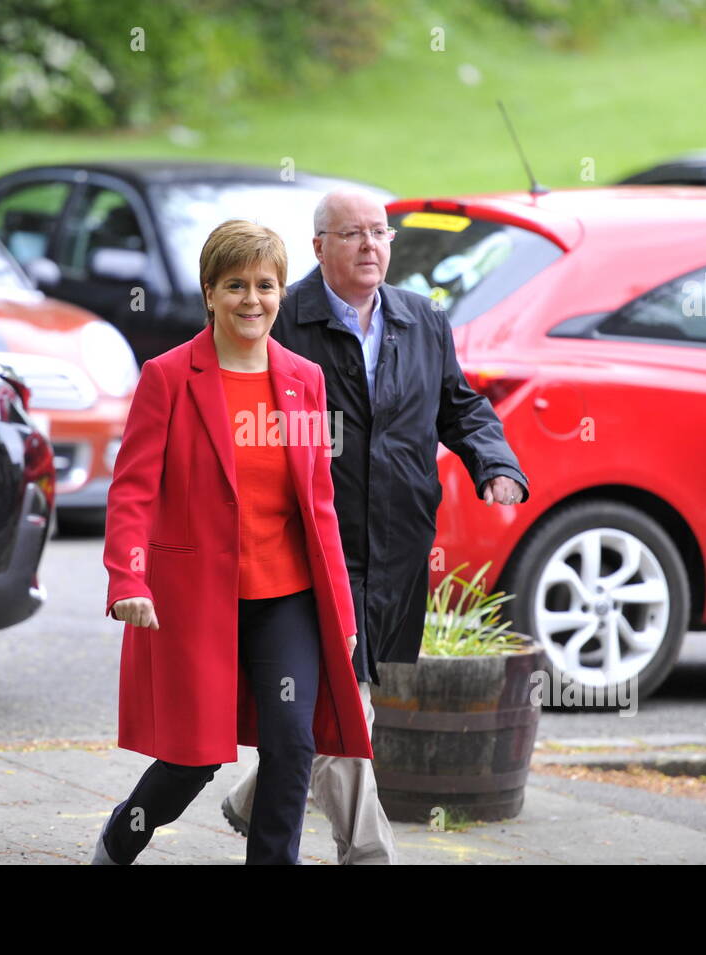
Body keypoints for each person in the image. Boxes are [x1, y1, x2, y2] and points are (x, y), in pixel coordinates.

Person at [222, 189, 531, 864]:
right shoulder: (284, 318)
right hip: (310, 553)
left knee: (337, 703)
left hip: (397, 548)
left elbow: (461, 407)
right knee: (344, 704)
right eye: (353, 234)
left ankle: (254, 798)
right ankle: (368, 850)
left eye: (379, 233)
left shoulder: (421, 319)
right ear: (318, 246)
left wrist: (495, 464)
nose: (370, 246)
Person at [96, 219, 372, 865]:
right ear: (210, 293)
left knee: (291, 742)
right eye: (236, 285)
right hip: (197, 598)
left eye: (266, 285)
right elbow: (132, 491)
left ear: (281, 292)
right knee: (193, 757)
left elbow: (319, 505)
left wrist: (342, 611)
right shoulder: (169, 376)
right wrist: (127, 580)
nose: (253, 300)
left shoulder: (305, 379)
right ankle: (118, 840)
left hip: (289, 597)